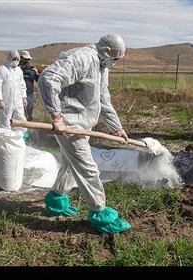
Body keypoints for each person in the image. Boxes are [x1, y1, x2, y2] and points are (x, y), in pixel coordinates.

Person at [37, 33, 132, 234]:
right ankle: (101, 213)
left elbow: (103, 99)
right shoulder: (82, 58)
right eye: (115, 58)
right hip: (70, 125)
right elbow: (48, 78)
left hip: (83, 124)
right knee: (88, 169)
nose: (114, 62)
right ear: (107, 51)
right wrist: (56, 117)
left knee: (69, 165)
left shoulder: (101, 66)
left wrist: (117, 127)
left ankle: (56, 200)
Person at [0, 50, 28, 140]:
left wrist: (24, 97)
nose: (16, 61)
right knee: (5, 120)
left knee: (21, 119)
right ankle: (7, 140)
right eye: (14, 59)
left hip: (18, 100)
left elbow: (22, 84)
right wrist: (0, 99)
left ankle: (19, 138)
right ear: (9, 58)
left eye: (17, 59)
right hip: (6, 100)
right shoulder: (1, 69)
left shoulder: (19, 70)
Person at [19, 50, 39, 121]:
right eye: (25, 59)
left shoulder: (32, 69)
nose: (27, 60)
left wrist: (37, 73)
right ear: (21, 57)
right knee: (20, 112)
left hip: (29, 93)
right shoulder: (16, 68)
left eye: (28, 59)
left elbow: (38, 80)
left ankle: (29, 123)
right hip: (18, 93)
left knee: (29, 110)